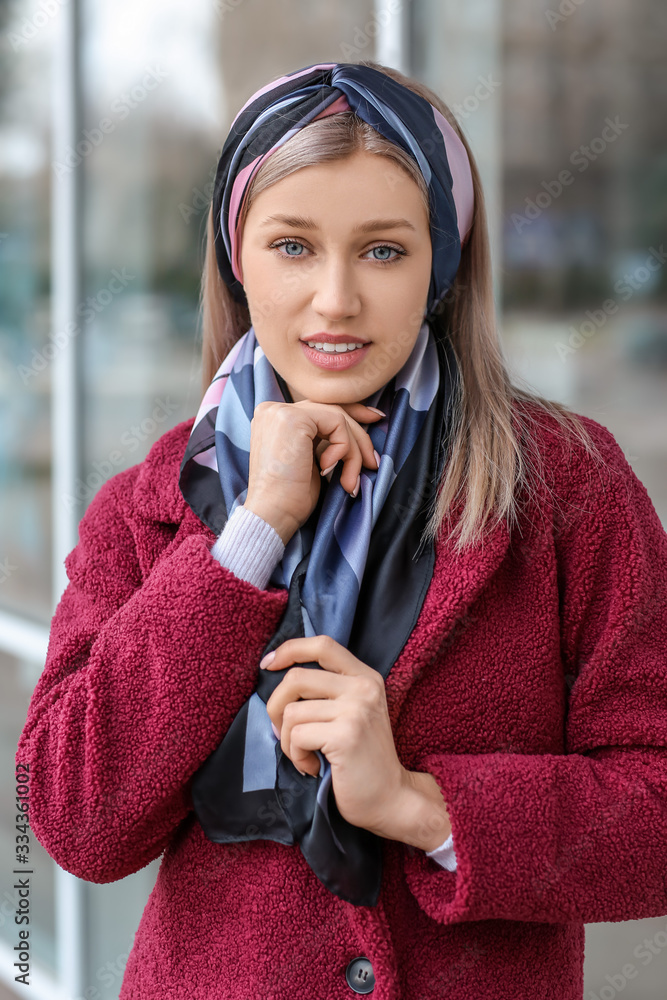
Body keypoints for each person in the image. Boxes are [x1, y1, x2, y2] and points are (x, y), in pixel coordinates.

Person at [16, 60, 667, 1000]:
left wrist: (419, 803)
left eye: (382, 251)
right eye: (291, 246)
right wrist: (252, 532)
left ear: (441, 265)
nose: (334, 300)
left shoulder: (570, 487)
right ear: (238, 257)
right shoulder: (146, 505)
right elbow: (77, 820)